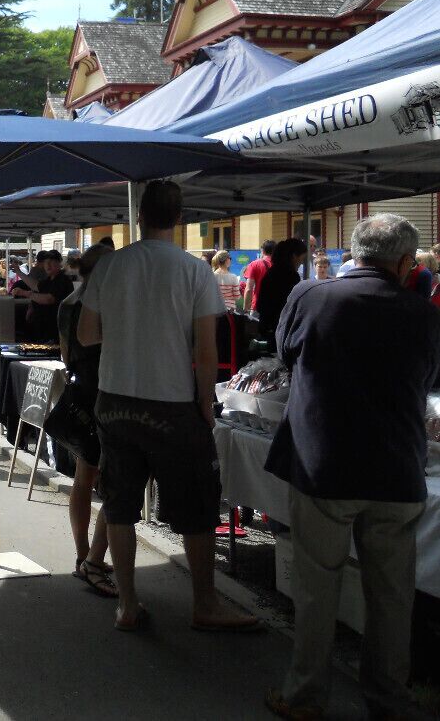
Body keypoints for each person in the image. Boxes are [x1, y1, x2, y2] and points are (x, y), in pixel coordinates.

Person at [265, 214, 440, 721]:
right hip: (396, 470)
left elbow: (285, 355)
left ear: (355, 253)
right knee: (392, 595)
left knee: (316, 587)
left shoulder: (309, 296)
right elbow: (430, 376)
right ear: (405, 263)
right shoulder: (423, 313)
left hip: (324, 465)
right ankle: (388, 700)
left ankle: (305, 697)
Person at [79, 180, 259, 633]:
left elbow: (85, 334)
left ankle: (127, 604)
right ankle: (205, 603)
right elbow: (205, 350)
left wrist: (128, 331)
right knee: (197, 506)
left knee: (120, 503)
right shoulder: (195, 270)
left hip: (115, 399)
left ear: (139, 216)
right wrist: (205, 401)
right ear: (180, 219)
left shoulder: (110, 265)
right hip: (172, 402)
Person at [57, 243, 116, 598]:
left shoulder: (68, 302)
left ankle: (84, 554)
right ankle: (94, 557)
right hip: (107, 392)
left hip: (81, 390)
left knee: (84, 476)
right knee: (116, 478)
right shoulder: (106, 303)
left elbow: (66, 353)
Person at [256, 238, 307, 348]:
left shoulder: (271, 273)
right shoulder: (291, 276)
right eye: (302, 258)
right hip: (282, 331)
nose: (302, 263)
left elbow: (260, 305)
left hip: (267, 328)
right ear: (294, 256)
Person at [25, 249, 73, 342]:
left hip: (56, 328)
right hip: (44, 327)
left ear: (59, 263)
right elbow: (35, 285)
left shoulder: (63, 280)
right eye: (46, 262)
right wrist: (19, 272)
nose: (48, 265)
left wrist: (26, 293)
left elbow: (49, 299)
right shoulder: (48, 280)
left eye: (51, 262)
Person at [242, 239, 276, 316]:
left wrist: (246, 308)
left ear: (262, 251)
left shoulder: (255, 264)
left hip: (258, 307)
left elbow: (249, 289)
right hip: (276, 308)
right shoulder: (282, 265)